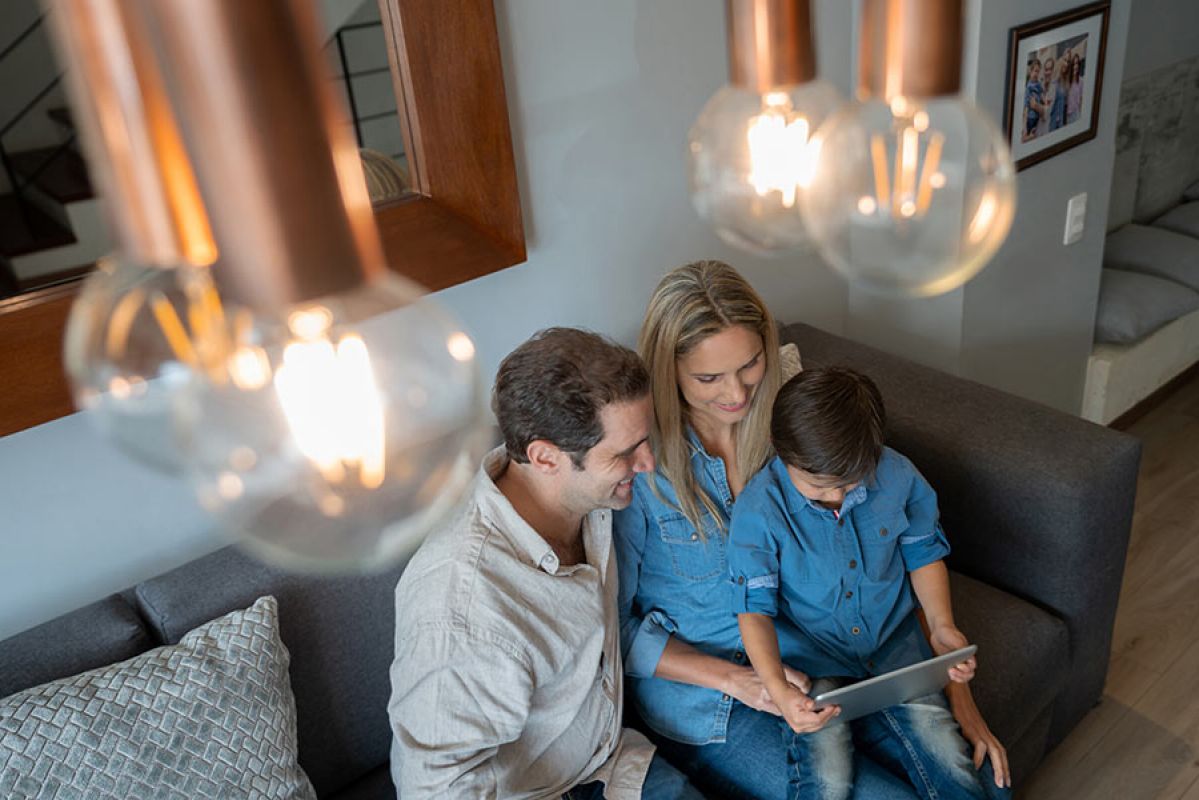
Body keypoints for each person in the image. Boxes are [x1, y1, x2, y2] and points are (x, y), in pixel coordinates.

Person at [613, 261, 921, 800]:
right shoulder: (640, 471)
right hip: (712, 700)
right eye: (708, 378)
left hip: (810, 660)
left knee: (965, 775)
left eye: (751, 365)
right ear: (669, 372)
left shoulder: (788, 423)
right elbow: (614, 631)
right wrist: (742, 682)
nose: (736, 393)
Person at [388, 327, 703, 799]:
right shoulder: (462, 607)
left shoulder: (591, 501)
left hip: (612, 765)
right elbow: (434, 790)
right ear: (545, 457)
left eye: (644, 440)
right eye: (624, 453)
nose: (648, 463)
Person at [731, 367, 1012, 800]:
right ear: (781, 453)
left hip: (894, 646)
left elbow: (924, 555)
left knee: (944, 749)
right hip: (813, 659)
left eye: (849, 482)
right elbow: (753, 610)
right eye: (818, 488)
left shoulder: (900, 477)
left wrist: (940, 627)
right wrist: (778, 690)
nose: (837, 498)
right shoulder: (759, 511)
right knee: (825, 773)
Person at [1022, 57, 1047, 142]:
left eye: (1038, 72)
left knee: (1036, 136)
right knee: (1030, 136)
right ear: (1031, 71)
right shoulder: (1028, 87)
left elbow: (1042, 94)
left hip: (1038, 116)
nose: (1037, 74)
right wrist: (1025, 126)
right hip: (1030, 117)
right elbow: (1026, 107)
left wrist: (1045, 102)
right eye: (1035, 71)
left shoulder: (1038, 84)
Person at [1048, 56, 1069, 131]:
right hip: (1053, 121)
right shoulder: (1054, 82)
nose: (1064, 70)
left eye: (1066, 69)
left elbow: (1064, 103)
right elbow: (1050, 104)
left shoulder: (1065, 83)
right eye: (1063, 67)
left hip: (1061, 121)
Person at [1066, 54, 1084, 124]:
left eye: (1077, 64)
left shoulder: (1081, 81)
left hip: (1076, 114)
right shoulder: (1067, 81)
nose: (1075, 67)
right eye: (1073, 64)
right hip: (1067, 116)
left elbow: (1081, 99)